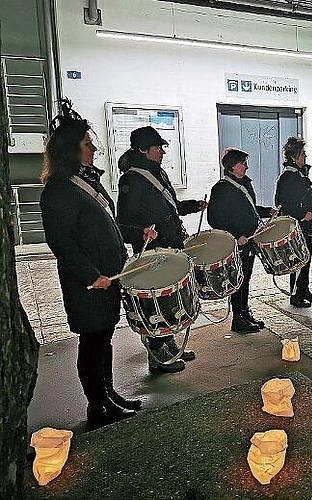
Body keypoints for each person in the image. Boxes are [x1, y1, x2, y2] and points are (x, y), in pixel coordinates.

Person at [40, 100, 138, 426]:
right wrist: (91, 276)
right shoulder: (58, 189)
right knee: (92, 343)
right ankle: (97, 405)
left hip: (107, 278)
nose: (93, 148)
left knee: (103, 339)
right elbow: (62, 242)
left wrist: (140, 232)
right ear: (71, 149)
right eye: (87, 143)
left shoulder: (85, 182)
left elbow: (108, 225)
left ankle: (108, 393)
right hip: (88, 283)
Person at [116, 126, 207, 373]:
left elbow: (172, 207)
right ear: (143, 150)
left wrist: (193, 205)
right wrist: (142, 231)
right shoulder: (131, 180)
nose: (162, 152)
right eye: (158, 148)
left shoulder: (159, 173)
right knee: (155, 303)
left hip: (170, 247)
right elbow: (123, 222)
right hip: (152, 252)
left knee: (169, 303)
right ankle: (157, 356)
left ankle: (169, 344)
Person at [208, 148, 276, 333]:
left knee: (245, 279)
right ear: (232, 166)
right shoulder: (221, 188)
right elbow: (214, 219)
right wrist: (236, 236)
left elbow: (250, 209)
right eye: (243, 163)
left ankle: (245, 313)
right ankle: (237, 320)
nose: (246, 166)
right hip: (236, 244)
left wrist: (267, 211)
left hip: (249, 241)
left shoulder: (244, 183)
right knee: (237, 280)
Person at [275, 136, 312, 307]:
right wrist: (302, 214)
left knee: (306, 258)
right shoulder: (288, 177)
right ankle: (296, 295)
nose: (305, 156)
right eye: (302, 154)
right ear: (294, 156)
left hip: (307, 224)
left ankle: (304, 289)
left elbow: (303, 197)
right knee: (298, 260)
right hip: (298, 225)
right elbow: (282, 202)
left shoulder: (299, 174)